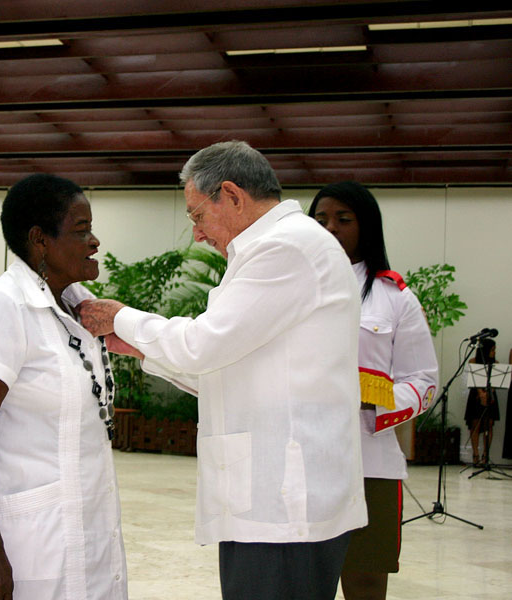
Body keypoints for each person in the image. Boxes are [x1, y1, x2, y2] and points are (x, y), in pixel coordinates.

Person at [80, 141, 366, 600]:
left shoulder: (287, 247)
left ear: (231, 195)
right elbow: (225, 366)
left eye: (197, 215)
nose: (196, 234)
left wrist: (121, 317)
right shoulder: (276, 247)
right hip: (271, 498)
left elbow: (204, 344)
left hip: (285, 505)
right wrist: (140, 349)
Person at [0, 173, 127, 599]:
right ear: (40, 240)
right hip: (29, 541)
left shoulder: (78, 306)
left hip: (89, 527)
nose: (94, 242)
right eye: (81, 230)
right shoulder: (4, 306)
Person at [309, 181, 438, 600]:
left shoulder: (394, 298)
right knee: (301, 579)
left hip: (370, 459)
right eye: (321, 219)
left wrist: (377, 400)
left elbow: (424, 380)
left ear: (367, 227)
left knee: (365, 580)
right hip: (303, 457)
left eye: (343, 219)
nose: (330, 228)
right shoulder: (289, 288)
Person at [464, 338, 499, 467]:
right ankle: (475, 455)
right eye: (492, 349)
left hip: (490, 395)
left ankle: (486, 455)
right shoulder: (473, 361)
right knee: (475, 424)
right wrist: (481, 393)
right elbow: (472, 378)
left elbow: (496, 381)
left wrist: (489, 393)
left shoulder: (495, 363)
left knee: (489, 424)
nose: (494, 352)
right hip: (476, 395)